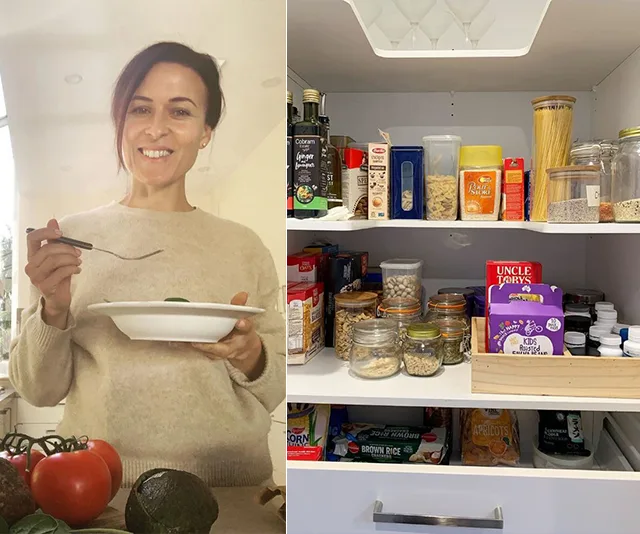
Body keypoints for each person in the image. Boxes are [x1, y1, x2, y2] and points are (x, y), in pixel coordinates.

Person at [9, 41, 285, 488]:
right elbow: (38, 392)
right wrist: (52, 310)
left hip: (230, 487)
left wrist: (249, 353)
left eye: (180, 112)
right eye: (140, 110)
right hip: (96, 486)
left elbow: (275, 392)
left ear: (206, 131)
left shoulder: (244, 245)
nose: (156, 129)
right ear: (121, 123)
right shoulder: (70, 241)